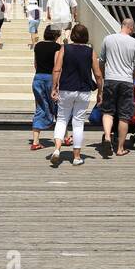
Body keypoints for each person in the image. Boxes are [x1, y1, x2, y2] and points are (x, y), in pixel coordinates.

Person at [50, 23, 102, 167]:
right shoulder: (90, 52)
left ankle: (57, 149)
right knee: (78, 123)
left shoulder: (64, 49)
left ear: (72, 35)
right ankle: (77, 157)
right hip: (83, 90)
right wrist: (100, 92)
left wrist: (54, 87)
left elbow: (57, 69)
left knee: (61, 119)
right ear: (86, 37)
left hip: (66, 88)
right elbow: (97, 74)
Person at [99, 17, 135, 157]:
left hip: (111, 79)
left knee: (108, 112)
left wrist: (105, 74)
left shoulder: (108, 39)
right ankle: (120, 149)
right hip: (126, 81)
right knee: (124, 116)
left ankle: (107, 137)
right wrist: (134, 76)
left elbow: (102, 60)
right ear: (130, 27)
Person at [30, 25, 60, 150]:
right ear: (56, 35)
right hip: (50, 78)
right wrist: (56, 84)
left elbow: (36, 64)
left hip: (37, 78)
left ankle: (35, 141)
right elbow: (57, 66)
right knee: (58, 108)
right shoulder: (57, 47)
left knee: (40, 108)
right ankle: (64, 136)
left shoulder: (38, 46)